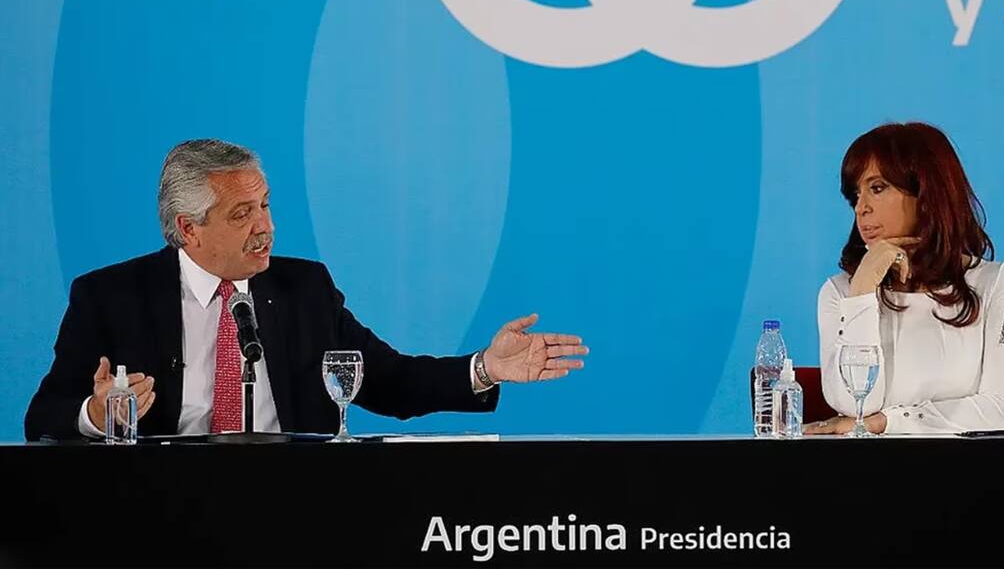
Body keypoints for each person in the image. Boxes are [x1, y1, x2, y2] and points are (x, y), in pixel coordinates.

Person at [25, 139, 587, 440]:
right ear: (188, 228)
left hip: (296, 514)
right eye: (242, 214)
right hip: (160, 518)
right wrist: (96, 417)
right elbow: (43, 416)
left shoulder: (303, 288)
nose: (265, 227)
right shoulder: (110, 297)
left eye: (266, 205)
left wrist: (484, 367)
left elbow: (390, 382)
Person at [805, 122, 1004, 435]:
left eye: (877, 188)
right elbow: (854, 404)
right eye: (855, 195)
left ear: (926, 192)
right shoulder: (840, 292)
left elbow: (1000, 409)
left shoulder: (999, 284)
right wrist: (862, 292)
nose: (861, 208)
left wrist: (888, 422)